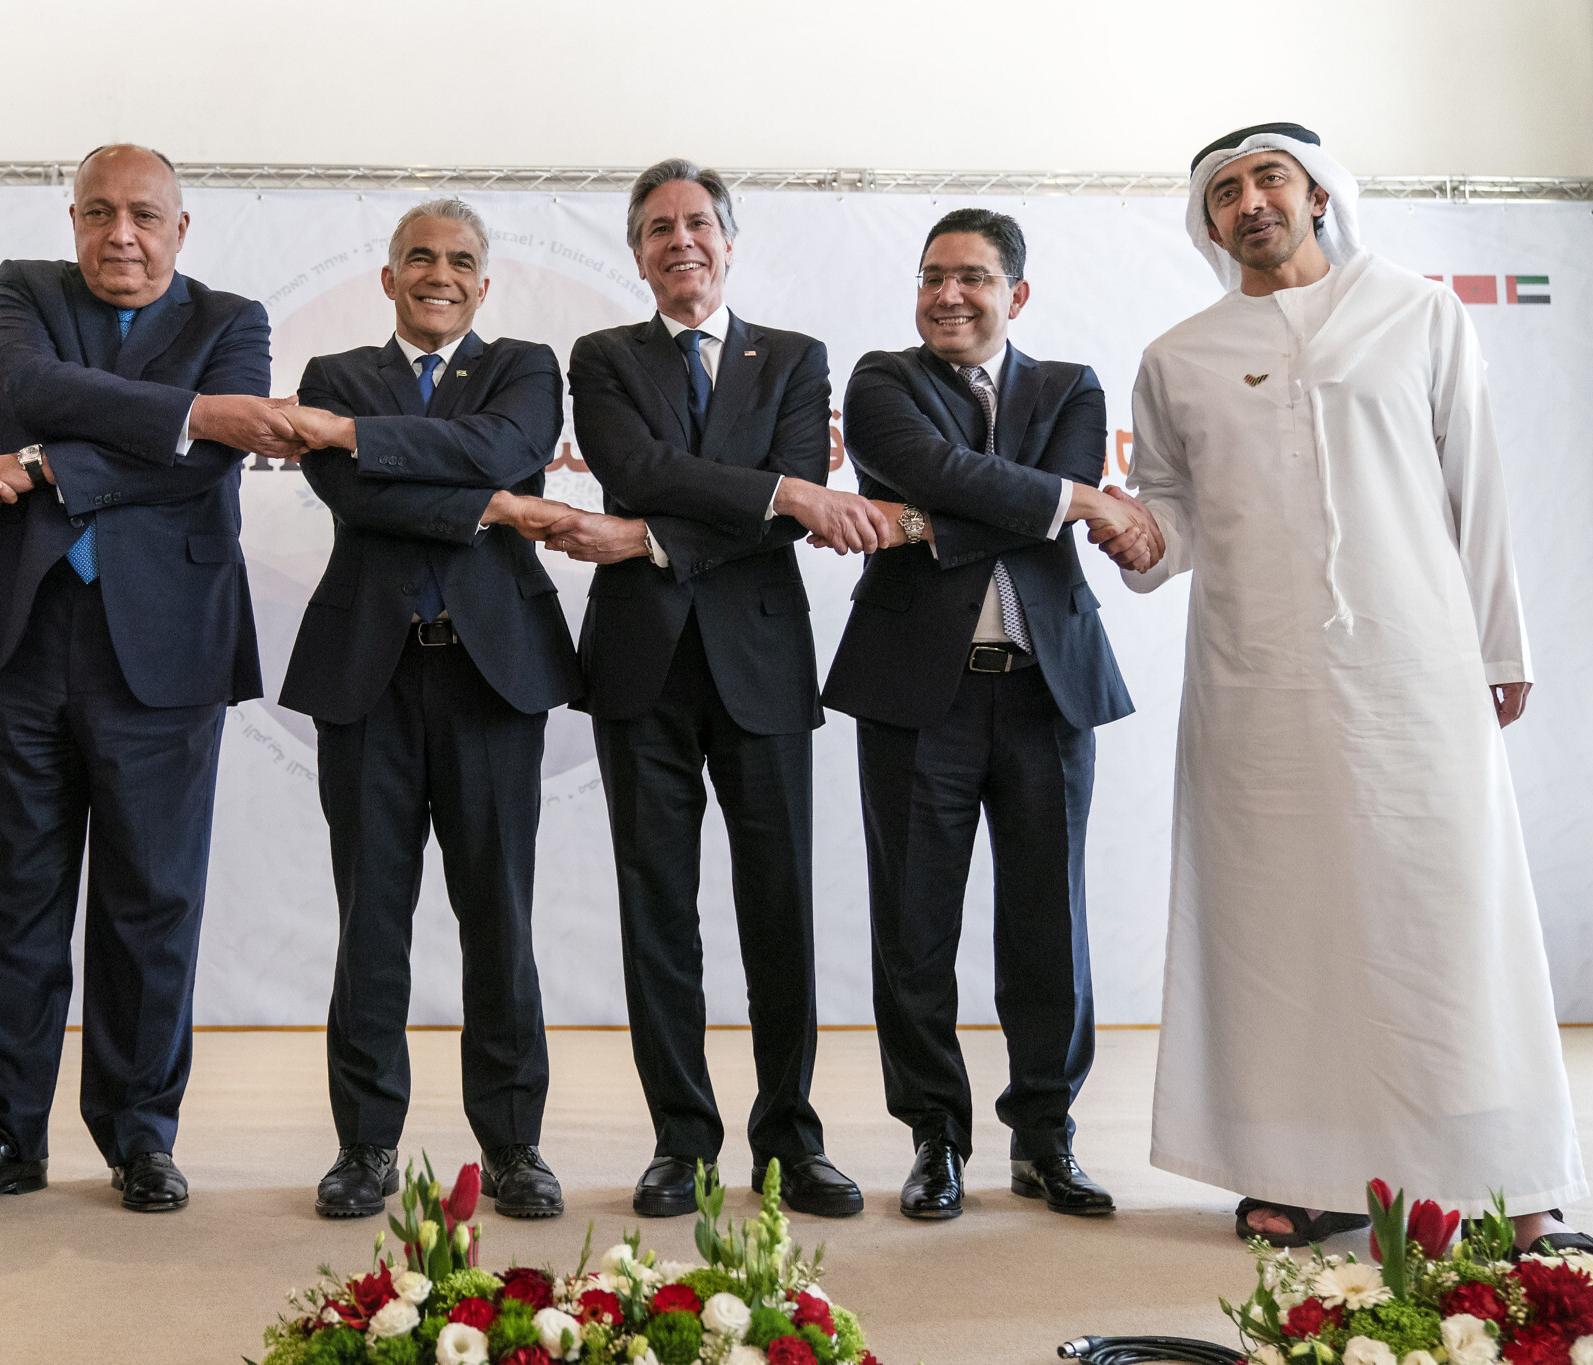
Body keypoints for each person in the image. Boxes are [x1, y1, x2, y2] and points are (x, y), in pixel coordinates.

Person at [1109, 122, 1589, 1252]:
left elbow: (1472, 482)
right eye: (1223, 192)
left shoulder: (1417, 313)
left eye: (1267, 178)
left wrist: (1497, 648)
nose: (1248, 202)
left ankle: (1510, 1183)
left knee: (1447, 920)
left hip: (1413, 668)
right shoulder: (1175, 355)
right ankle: (1300, 1171)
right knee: (1277, 935)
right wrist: (1136, 538)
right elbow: (1172, 518)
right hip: (1254, 682)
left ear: (1316, 194)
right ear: (1208, 222)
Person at [0, 145, 298, 1217]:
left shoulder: (234, 318)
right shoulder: (24, 291)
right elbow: (28, 385)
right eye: (99, 214)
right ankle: (3, 1140)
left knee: (150, 903)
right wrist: (181, 413)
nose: (120, 235)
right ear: (73, 218)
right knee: (12, 898)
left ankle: (137, 1136)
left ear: (181, 226)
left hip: (165, 649)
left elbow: (212, 456)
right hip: (22, 635)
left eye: (143, 216)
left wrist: (37, 464)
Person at [545, 159, 888, 1219]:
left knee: (778, 911)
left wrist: (650, 537)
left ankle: (790, 1137)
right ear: (638, 252)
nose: (678, 241)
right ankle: (679, 1141)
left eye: (697, 223)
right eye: (656, 229)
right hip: (639, 668)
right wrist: (778, 488)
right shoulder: (600, 356)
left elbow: (767, 516)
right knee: (660, 913)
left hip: (762, 666)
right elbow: (638, 464)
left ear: (728, 241)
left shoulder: (792, 358)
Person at [825, 209, 1142, 1222]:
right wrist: (1065, 504)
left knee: (1049, 923)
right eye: (929, 277)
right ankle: (935, 1139)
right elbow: (950, 475)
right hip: (920, 692)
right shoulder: (880, 381)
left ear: (1017, 293)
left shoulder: (1070, 387)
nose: (945, 295)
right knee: (914, 928)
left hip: (1045, 690)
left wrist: (931, 522)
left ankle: (1044, 1140)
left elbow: (970, 497)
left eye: (969, 277)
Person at [277, 200, 582, 1220]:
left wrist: (382, 445)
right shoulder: (332, 378)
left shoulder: (525, 367)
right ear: (388, 276)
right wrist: (491, 506)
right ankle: (364, 1145)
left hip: (491, 678)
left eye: (459, 260)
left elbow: (504, 445)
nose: (438, 273)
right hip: (366, 676)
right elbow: (356, 498)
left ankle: (513, 1146)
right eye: (419, 257)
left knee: (498, 917)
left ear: (483, 284)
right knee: (371, 921)